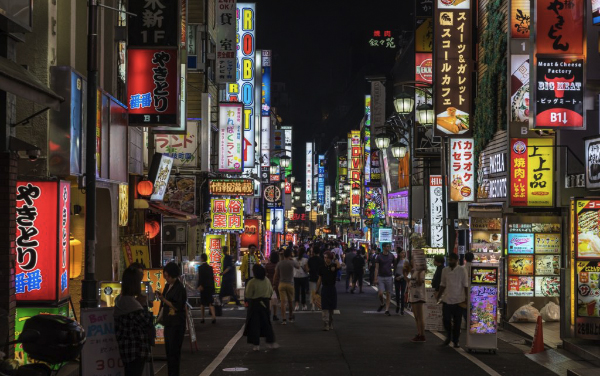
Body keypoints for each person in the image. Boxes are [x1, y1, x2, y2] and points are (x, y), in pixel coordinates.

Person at [114, 267, 154, 376]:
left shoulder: (120, 300)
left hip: (125, 348)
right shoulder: (132, 304)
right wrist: (144, 305)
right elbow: (146, 322)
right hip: (136, 349)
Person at [157, 262, 187, 376]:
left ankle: (174, 374)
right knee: (169, 352)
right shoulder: (167, 286)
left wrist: (163, 299)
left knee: (174, 352)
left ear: (174, 275)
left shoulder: (180, 288)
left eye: (168, 276)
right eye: (165, 276)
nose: (167, 278)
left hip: (177, 323)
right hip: (169, 322)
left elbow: (177, 306)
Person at [244, 264, 279, 351]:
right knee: (267, 323)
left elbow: (248, 294)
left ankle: (256, 344)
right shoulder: (266, 280)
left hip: (254, 305)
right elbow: (271, 291)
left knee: (254, 324)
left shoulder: (252, 282)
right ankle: (270, 341)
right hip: (265, 304)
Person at [438, 253, 469, 348]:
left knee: (457, 322)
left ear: (456, 260)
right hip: (447, 299)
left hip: (459, 299)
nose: (450, 262)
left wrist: (467, 298)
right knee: (446, 319)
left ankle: (456, 340)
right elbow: (442, 284)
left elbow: (466, 285)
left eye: (451, 260)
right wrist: (439, 295)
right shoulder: (445, 270)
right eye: (449, 260)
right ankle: (448, 335)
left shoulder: (462, 270)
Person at [315, 251, 340, 331]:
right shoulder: (321, 267)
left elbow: (339, 266)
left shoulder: (334, 266)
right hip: (325, 288)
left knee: (331, 308)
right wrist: (317, 289)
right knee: (324, 307)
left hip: (332, 288)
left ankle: (330, 322)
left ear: (330, 258)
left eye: (327, 258)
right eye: (324, 257)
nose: (325, 259)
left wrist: (335, 258)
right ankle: (325, 324)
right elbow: (319, 279)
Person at [274, 248, 299, 324]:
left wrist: (274, 284)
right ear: (290, 254)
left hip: (281, 284)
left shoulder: (279, 263)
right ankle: (290, 316)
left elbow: (276, 275)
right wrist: (292, 259)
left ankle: (284, 319)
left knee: (283, 302)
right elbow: (298, 266)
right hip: (290, 284)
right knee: (290, 302)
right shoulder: (291, 262)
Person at [407, 259, 426, 342]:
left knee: (420, 316)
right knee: (416, 317)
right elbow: (408, 280)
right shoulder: (413, 271)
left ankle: (422, 335)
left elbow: (419, 283)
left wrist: (418, 274)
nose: (412, 261)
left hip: (419, 295)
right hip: (413, 294)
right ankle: (419, 333)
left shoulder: (421, 271)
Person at [373, 243, 395, 316]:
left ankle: (387, 309)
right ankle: (382, 303)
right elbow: (376, 268)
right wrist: (375, 278)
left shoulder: (391, 256)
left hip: (389, 276)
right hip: (381, 276)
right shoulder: (379, 256)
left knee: (388, 293)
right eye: (387, 246)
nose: (388, 248)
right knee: (380, 293)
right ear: (383, 247)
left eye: (389, 246)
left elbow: (395, 265)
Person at [197, 253, 216, 324]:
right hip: (210, 287)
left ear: (202, 259)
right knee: (210, 302)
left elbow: (200, 278)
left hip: (203, 287)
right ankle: (213, 317)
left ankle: (202, 318)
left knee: (202, 303)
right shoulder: (210, 268)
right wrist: (213, 287)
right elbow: (212, 278)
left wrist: (199, 285)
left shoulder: (200, 268)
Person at [264, 251, 280, 321]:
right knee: (275, 299)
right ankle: (275, 315)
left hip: (269, 283)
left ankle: (269, 312)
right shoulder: (278, 265)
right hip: (277, 283)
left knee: (269, 299)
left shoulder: (267, 265)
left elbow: (265, 273)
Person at [394, 249, 409, 314]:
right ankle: (397, 305)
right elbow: (394, 269)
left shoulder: (406, 261)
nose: (403, 254)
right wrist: (395, 276)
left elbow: (408, 271)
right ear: (399, 254)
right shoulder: (396, 260)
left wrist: (401, 276)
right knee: (397, 293)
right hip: (397, 277)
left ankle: (402, 309)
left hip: (403, 277)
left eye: (404, 253)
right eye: (402, 253)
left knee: (402, 294)